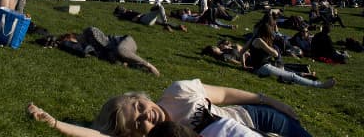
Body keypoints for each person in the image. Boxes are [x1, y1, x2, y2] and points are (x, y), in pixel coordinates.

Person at [28, 78, 313, 137]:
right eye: (139, 123)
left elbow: (225, 94)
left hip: (255, 117)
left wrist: (269, 100)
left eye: (139, 106)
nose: (145, 116)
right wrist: (55, 124)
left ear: (143, 96)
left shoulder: (178, 92)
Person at [248, 21, 335, 89]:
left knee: (289, 72)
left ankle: (310, 78)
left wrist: (244, 65)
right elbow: (274, 53)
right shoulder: (259, 41)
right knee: (291, 76)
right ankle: (319, 85)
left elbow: (242, 52)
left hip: (262, 67)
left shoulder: (253, 39)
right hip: (263, 68)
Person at [52, 27, 160, 76]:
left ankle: (149, 65)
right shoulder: (87, 47)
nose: (74, 45)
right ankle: (141, 69)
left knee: (120, 51)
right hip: (119, 51)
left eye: (70, 41)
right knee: (119, 59)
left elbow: (106, 45)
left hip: (125, 41)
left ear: (72, 37)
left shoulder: (89, 32)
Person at [114, 0, 187, 32]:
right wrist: (140, 15)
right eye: (122, 8)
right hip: (143, 19)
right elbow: (134, 19)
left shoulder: (129, 11)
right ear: (120, 11)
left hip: (145, 17)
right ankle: (165, 25)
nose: (124, 8)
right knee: (160, 7)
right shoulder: (124, 15)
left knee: (160, 21)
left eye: (123, 7)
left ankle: (178, 27)